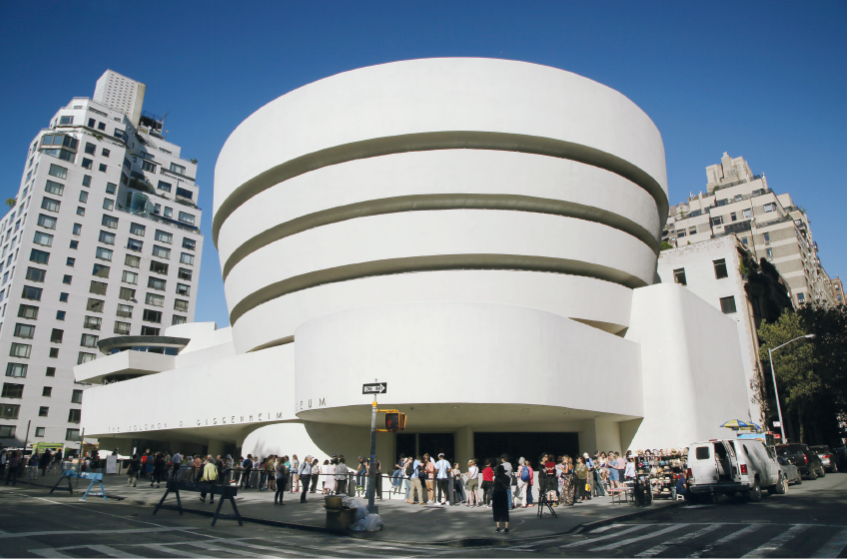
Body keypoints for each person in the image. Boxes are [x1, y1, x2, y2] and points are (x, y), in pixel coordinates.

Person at [491, 464, 510, 533]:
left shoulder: (507, 478)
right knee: (496, 511)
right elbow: (493, 485)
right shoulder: (496, 477)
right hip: (496, 494)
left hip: (503, 493)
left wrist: (501, 483)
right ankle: (498, 526)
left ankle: (506, 527)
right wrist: (495, 481)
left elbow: (506, 487)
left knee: (504, 510)